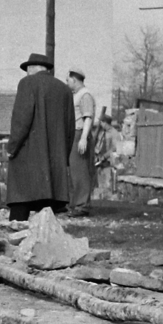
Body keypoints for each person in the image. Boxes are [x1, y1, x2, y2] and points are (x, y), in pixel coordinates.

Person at [5, 52, 74, 222]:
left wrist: (11, 148)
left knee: (19, 209)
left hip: (28, 160)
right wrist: (62, 159)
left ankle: (16, 242)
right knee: (47, 217)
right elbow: (70, 129)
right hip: (53, 166)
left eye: (27, 69)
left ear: (32, 68)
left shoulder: (27, 83)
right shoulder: (64, 89)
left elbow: (21, 121)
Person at [67, 68, 97, 216]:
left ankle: (82, 205)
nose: (67, 83)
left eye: (69, 80)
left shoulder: (85, 95)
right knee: (74, 171)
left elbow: (88, 118)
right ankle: (76, 204)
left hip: (80, 134)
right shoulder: (76, 95)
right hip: (74, 134)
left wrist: (83, 138)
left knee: (80, 171)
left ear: (74, 80)